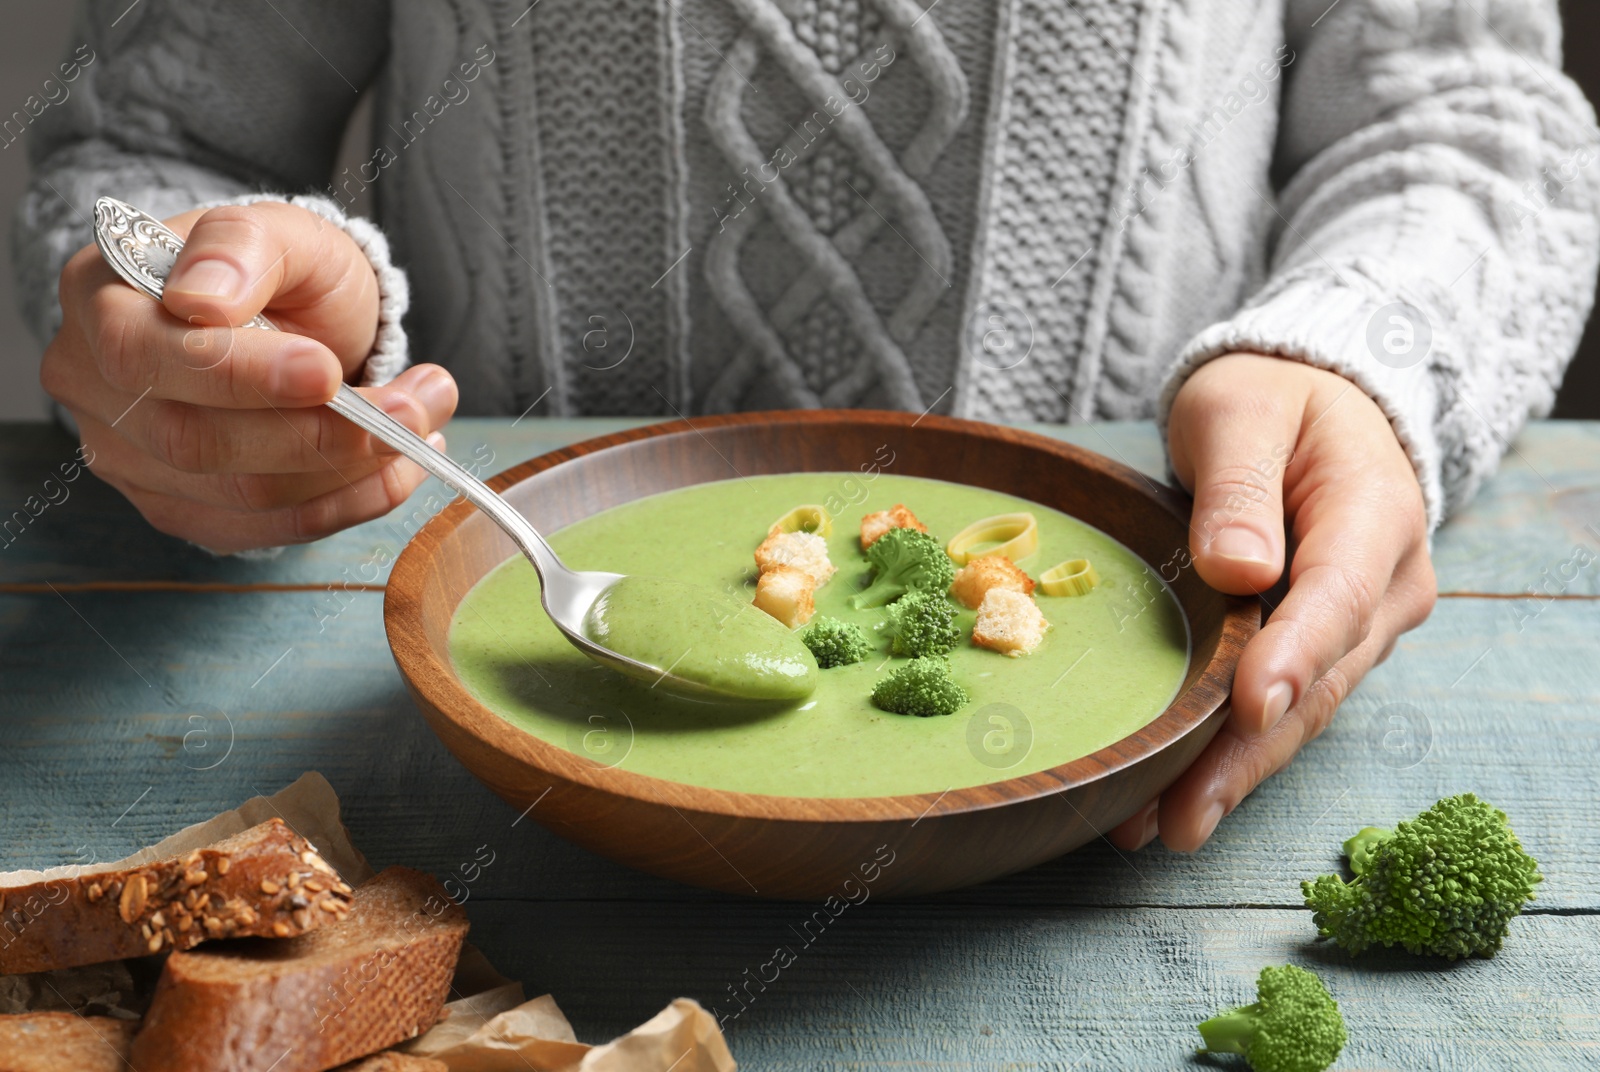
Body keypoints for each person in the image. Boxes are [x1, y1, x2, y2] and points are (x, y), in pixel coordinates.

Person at [14, 0, 1598, 854]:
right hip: (484, 726)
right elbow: (150, 137)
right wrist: (211, 318)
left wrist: (1368, 356)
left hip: (1140, 704)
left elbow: (1463, 118)